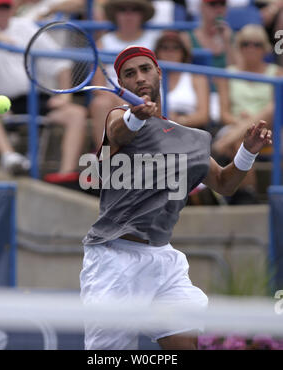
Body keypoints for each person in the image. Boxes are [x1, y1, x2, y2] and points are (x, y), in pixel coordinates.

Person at [79, 45, 272, 350]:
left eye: (145, 69)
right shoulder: (119, 117)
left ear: (159, 73)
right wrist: (135, 117)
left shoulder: (191, 138)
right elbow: (119, 133)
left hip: (163, 260)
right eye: (130, 74)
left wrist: (246, 152)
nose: (139, 77)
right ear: (122, 84)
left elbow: (223, 183)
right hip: (113, 259)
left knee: (184, 344)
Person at [0, 0, 87, 178]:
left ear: (13, 7)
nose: (2, 11)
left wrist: (65, 96)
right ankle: (11, 157)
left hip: (33, 98)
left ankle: (65, 177)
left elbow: (60, 63)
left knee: (76, 114)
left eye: (5, 6)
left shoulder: (24, 26)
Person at [213, 24, 283, 203]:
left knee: (272, 108)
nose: (251, 48)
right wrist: (241, 121)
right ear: (239, 46)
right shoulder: (228, 73)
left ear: (265, 48)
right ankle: (249, 196)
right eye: (245, 44)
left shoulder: (277, 73)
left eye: (256, 44)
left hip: (271, 127)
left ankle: (221, 145)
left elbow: (277, 112)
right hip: (235, 126)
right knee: (242, 140)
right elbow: (224, 114)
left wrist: (252, 121)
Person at [89, 0, 161, 150]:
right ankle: (104, 159)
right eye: (122, 9)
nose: (128, 14)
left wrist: (141, 98)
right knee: (100, 103)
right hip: (113, 100)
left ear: (142, 14)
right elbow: (98, 85)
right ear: (116, 14)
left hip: (152, 95)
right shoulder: (103, 42)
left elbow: (160, 78)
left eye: (134, 9)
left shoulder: (156, 39)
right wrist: (125, 99)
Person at [154, 31, 209, 129]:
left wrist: (178, 121)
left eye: (175, 48)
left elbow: (203, 116)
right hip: (156, 128)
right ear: (157, 52)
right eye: (165, 48)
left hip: (188, 131)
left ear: (183, 52)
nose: (170, 52)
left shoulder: (197, 78)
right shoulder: (149, 78)